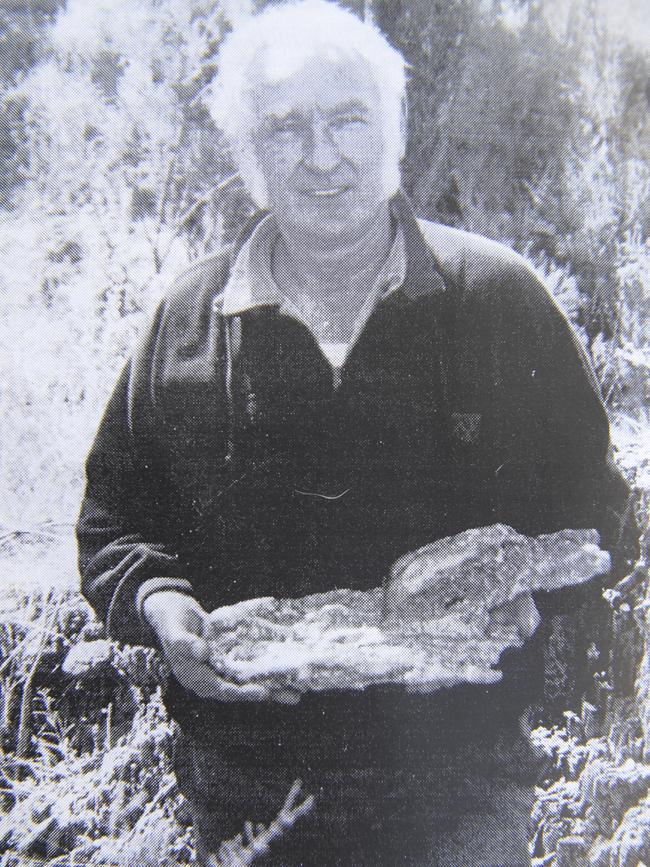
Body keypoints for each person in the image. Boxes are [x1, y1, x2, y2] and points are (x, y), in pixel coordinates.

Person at [76, 2, 633, 864]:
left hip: (458, 780)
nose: (323, 154)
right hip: (247, 784)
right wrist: (165, 608)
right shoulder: (187, 320)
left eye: (348, 118)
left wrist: (523, 601)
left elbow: (594, 513)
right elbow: (116, 523)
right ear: (247, 154)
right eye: (287, 127)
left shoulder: (497, 299)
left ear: (397, 130)